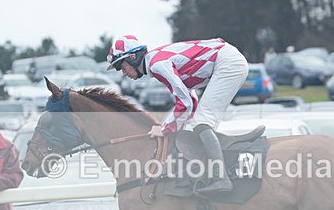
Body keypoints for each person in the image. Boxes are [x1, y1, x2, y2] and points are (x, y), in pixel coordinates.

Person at [106, 34, 249, 194]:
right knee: (197, 123)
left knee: (202, 122)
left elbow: (186, 102)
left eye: (122, 66)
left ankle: (220, 178)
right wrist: (167, 126)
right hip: (228, 59)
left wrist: (165, 129)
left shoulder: (157, 65)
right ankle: (212, 172)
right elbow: (191, 100)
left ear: (132, 57)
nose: (123, 73)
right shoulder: (156, 63)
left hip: (228, 63)